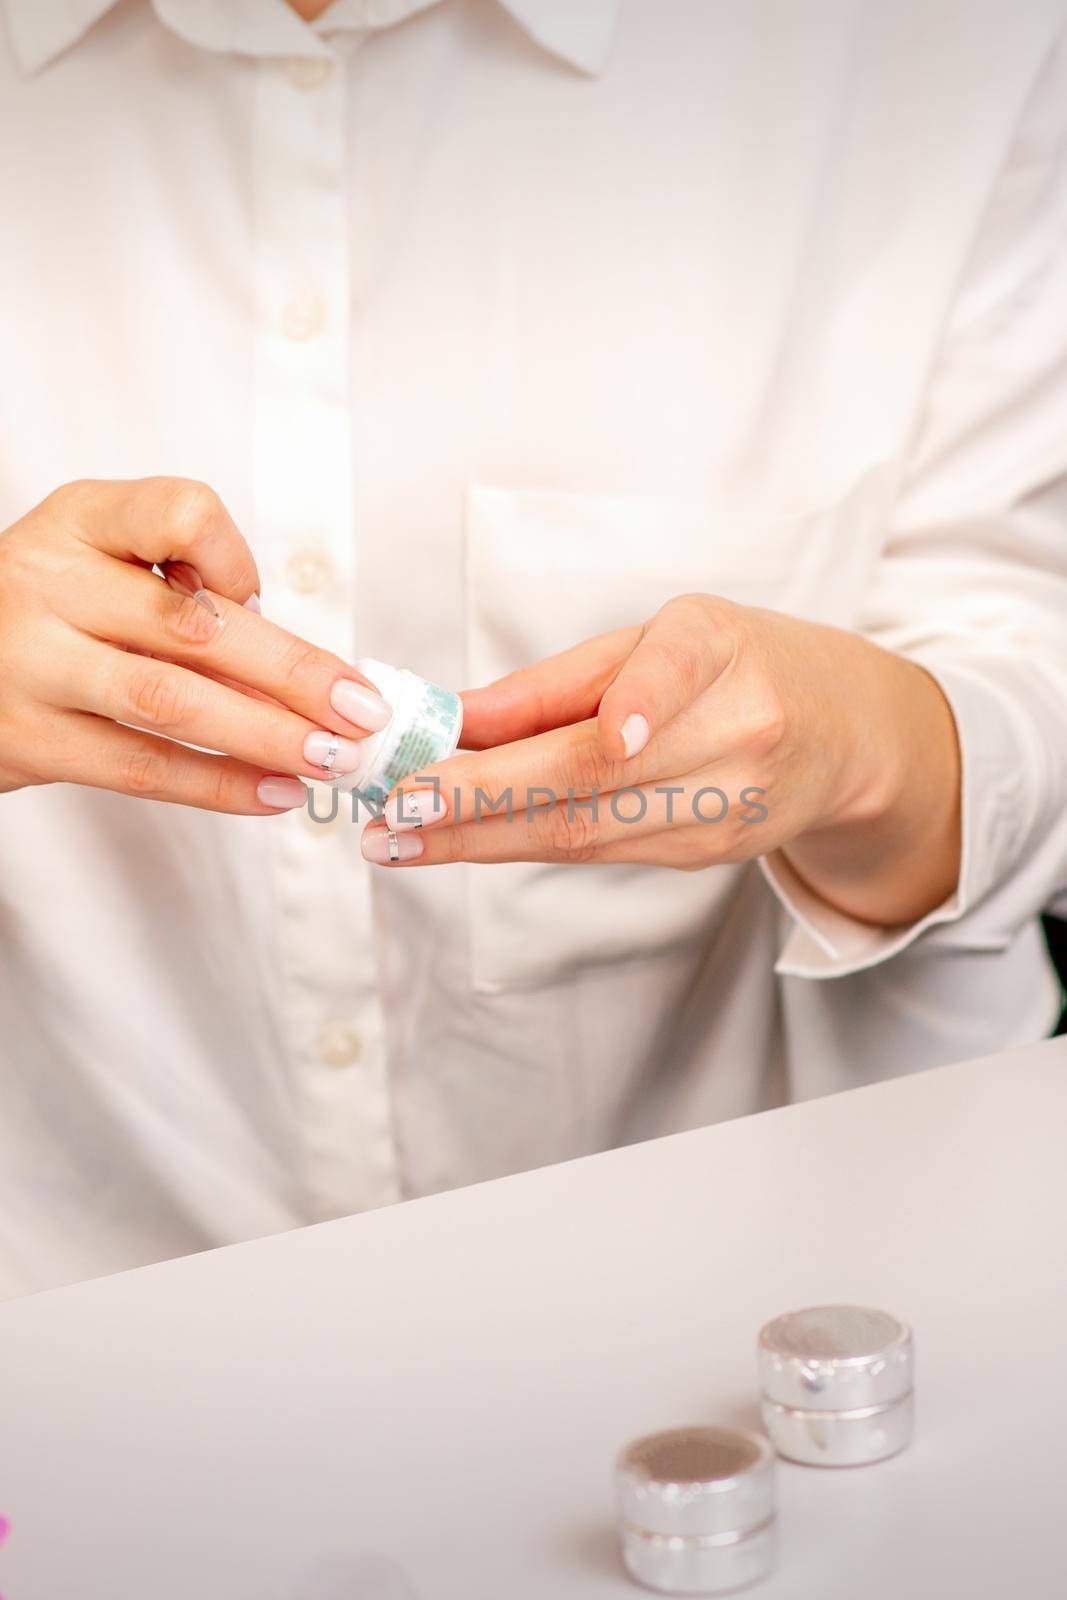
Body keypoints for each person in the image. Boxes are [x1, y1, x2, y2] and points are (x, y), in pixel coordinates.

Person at [2, 0, 1066, 1301]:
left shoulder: (947, 47)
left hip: (764, 1329)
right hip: (68, 1346)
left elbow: (1026, 672)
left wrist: (862, 748)